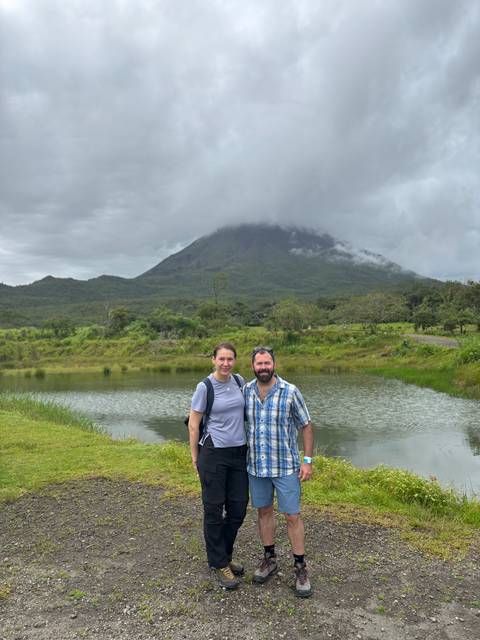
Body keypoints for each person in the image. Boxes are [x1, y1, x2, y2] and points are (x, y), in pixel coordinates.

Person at [244, 346, 314, 598]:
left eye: (267, 363)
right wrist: (195, 416)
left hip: (285, 466)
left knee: (292, 516)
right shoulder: (246, 391)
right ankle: (269, 558)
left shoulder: (290, 391)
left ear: (274, 364)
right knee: (263, 511)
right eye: (259, 364)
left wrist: (307, 461)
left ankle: (300, 567)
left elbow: (306, 425)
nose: (263, 367)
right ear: (253, 366)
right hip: (257, 466)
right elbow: (225, 413)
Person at [188, 342, 248, 590]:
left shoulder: (239, 381)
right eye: (221, 359)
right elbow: (194, 424)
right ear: (213, 360)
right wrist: (195, 457)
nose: (226, 364)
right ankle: (219, 563)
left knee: (238, 508)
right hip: (213, 454)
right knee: (213, 509)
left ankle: (225, 554)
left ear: (235, 361)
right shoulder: (205, 387)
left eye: (230, 359)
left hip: (238, 453)